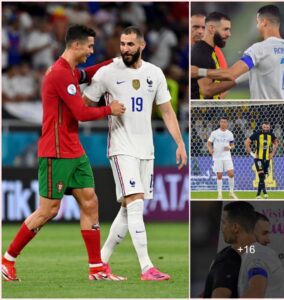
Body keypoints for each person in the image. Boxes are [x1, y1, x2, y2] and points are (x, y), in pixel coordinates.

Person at [2, 24, 126, 282]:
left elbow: (88, 73)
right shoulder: (59, 74)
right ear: (76, 45)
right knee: (48, 210)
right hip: (55, 150)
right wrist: (109, 109)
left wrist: (113, 62)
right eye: (90, 46)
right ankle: (7, 260)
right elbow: (80, 112)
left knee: (90, 201)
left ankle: (96, 268)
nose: (92, 51)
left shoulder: (69, 71)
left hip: (73, 149)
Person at [83, 26, 187, 281]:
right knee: (136, 203)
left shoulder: (155, 73)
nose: (125, 49)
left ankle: (100, 264)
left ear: (142, 45)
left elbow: (167, 111)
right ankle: (146, 268)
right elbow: (84, 104)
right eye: (122, 44)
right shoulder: (108, 72)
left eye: (130, 44)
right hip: (121, 148)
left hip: (146, 150)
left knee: (129, 210)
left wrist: (180, 143)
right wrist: (106, 109)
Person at [191, 5, 284, 99]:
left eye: (257, 23)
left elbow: (231, 74)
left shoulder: (259, 49)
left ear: (264, 23)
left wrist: (199, 71)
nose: (257, 27)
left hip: (264, 114)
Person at [191, 12, 235, 99]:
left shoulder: (211, 51)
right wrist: (237, 79)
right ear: (211, 28)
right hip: (200, 111)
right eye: (225, 29)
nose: (229, 34)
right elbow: (206, 90)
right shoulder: (201, 52)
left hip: (208, 110)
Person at [245, 121, 279, 199]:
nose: (266, 128)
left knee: (262, 177)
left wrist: (272, 153)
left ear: (269, 127)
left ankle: (260, 194)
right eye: (264, 127)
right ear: (262, 127)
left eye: (267, 127)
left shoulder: (271, 135)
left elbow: (276, 143)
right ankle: (263, 193)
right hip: (258, 158)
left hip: (267, 159)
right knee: (261, 175)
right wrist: (252, 154)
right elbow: (246, 142)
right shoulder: (257, 134)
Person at [207, 117, 238, 200]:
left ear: (227, 123)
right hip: (217, 157)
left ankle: (231, 192)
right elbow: (209, 143)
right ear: (219, 123)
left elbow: (233, 145)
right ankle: (220, 194)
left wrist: (230, 147)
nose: (223, 123)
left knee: (231, 173)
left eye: (225, 122)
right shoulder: (214, 133)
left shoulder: (230, 133)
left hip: (227, 156)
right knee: (219, 175)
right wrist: (210, 149)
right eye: (222, 122)